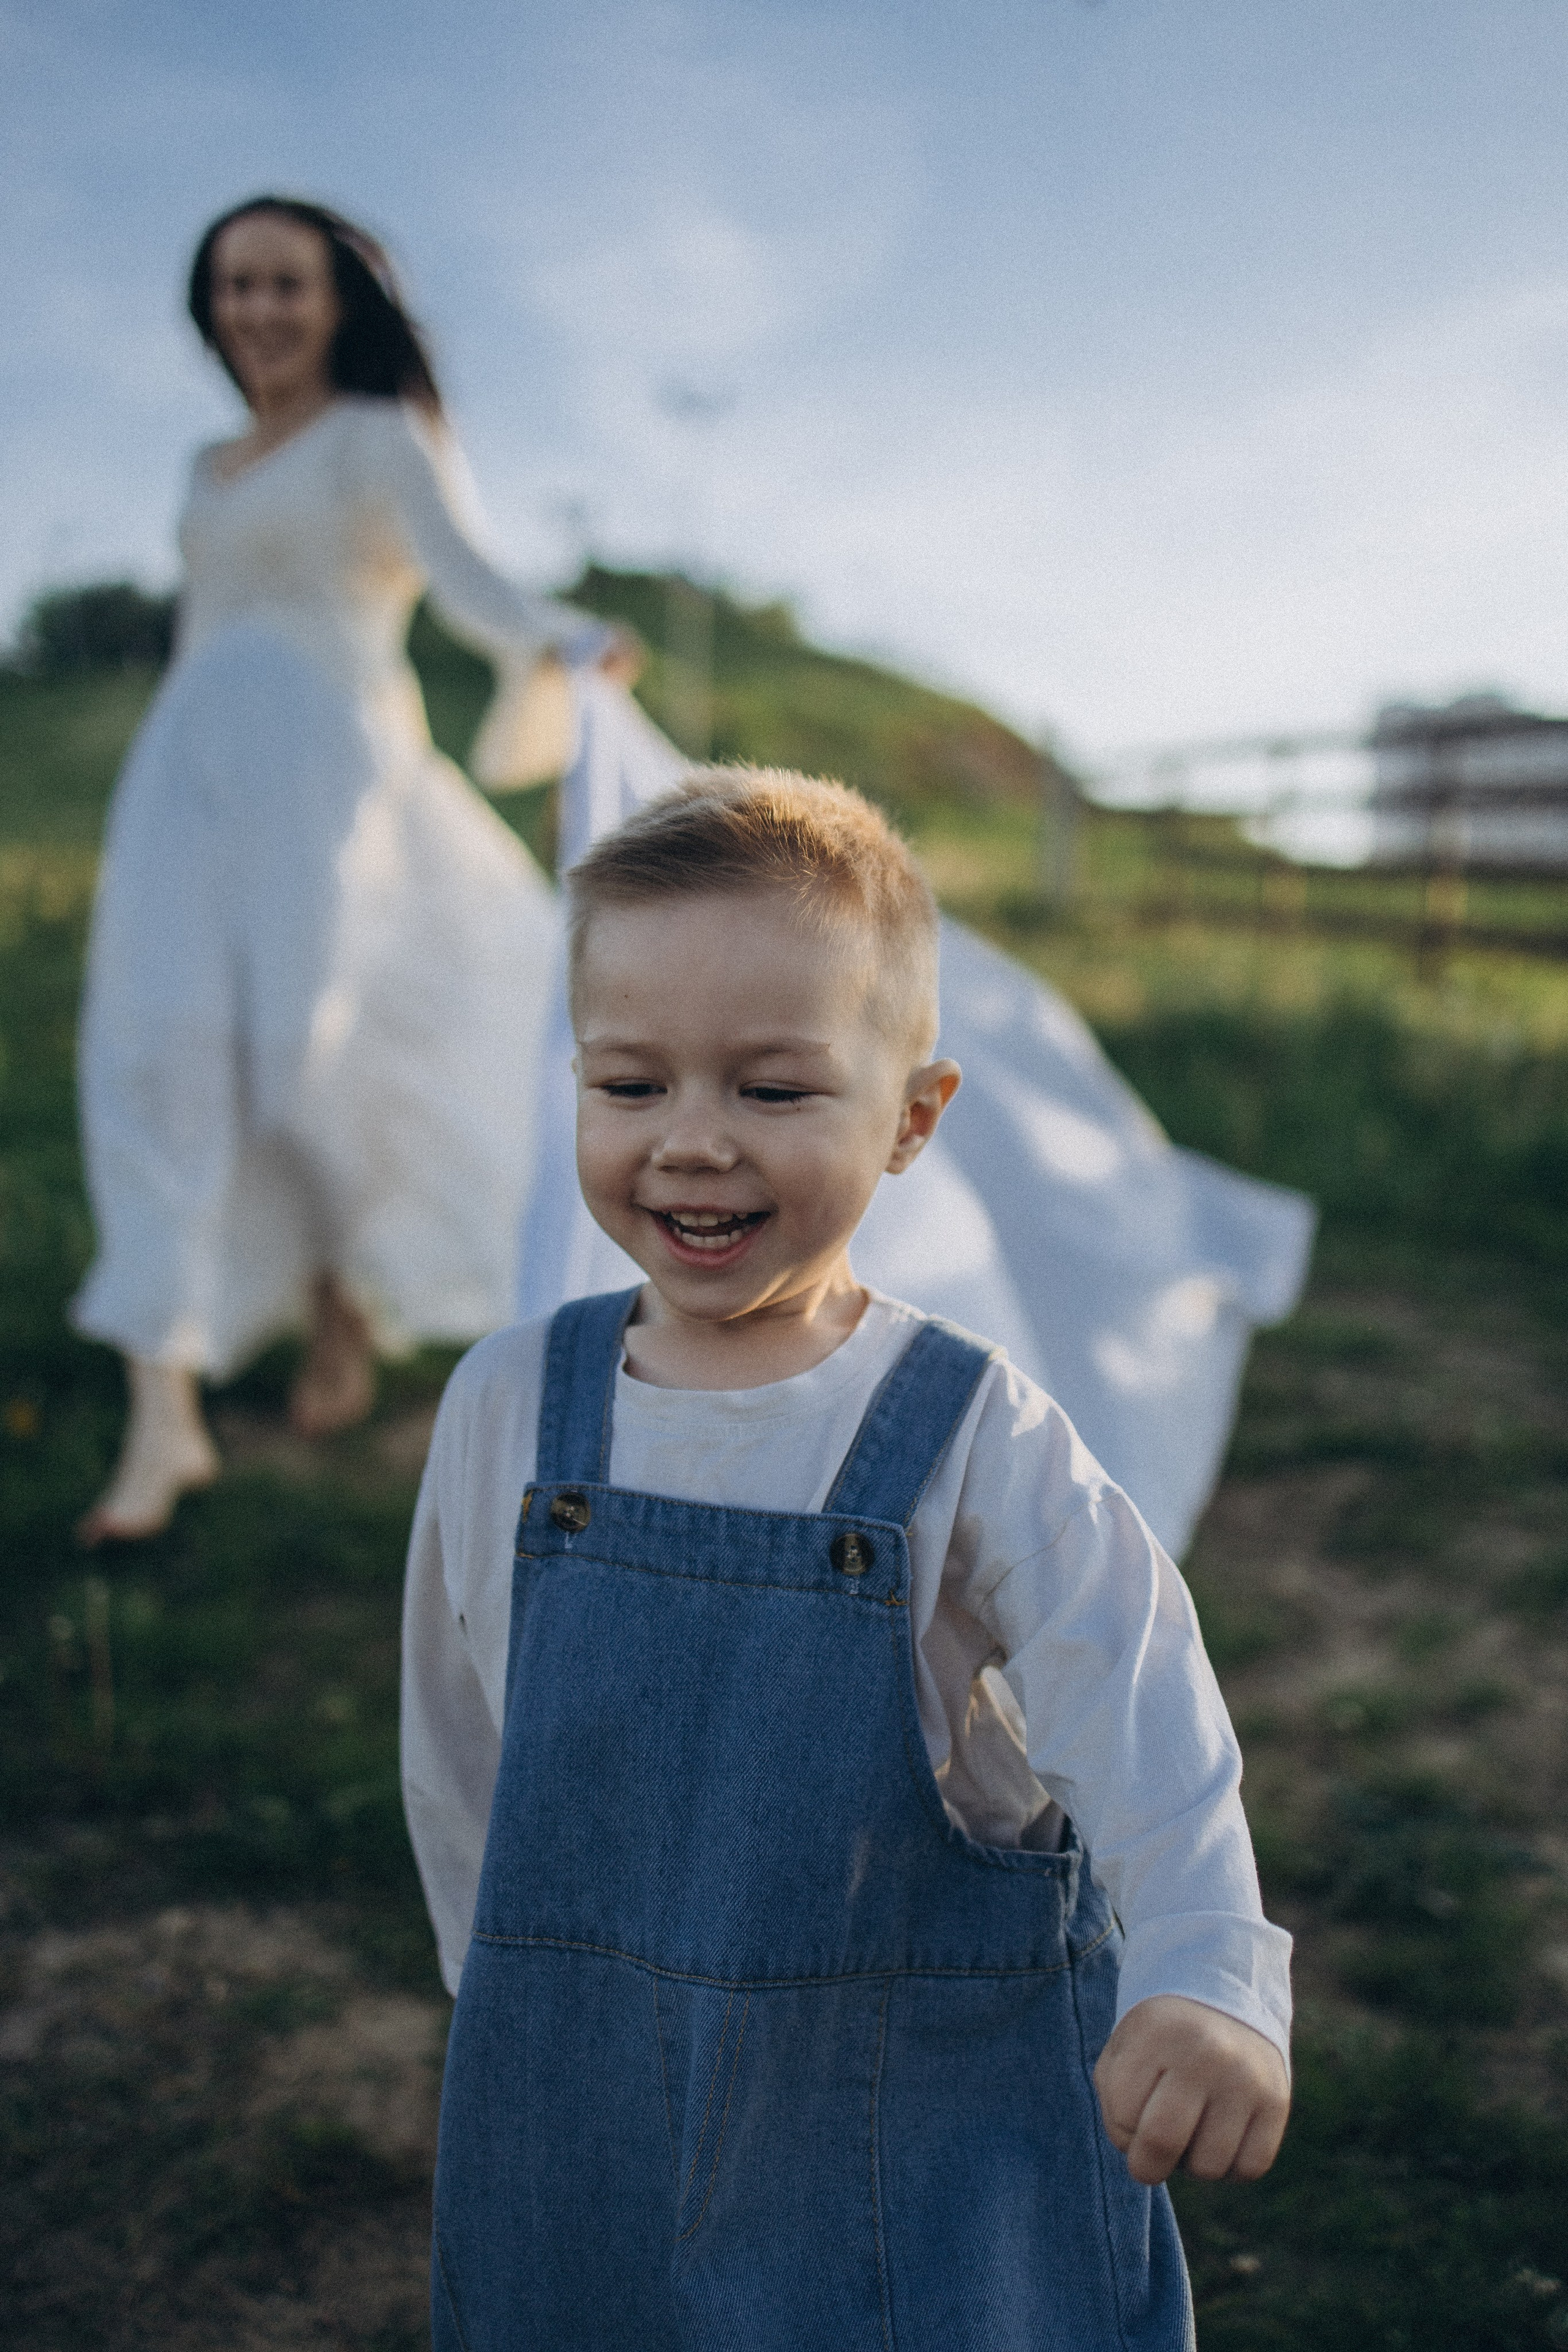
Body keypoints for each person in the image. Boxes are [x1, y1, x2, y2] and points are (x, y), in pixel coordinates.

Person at [403, 769, 1291, 2350]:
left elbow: (1139, 1697)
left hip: (907, 2093)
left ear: (911, 1119)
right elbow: (464, 1721)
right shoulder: (508, 1405)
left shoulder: (965, 1429)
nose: (691, 1143)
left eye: (771, 1090)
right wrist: (505, 1987)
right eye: (631, 1084)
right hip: (589, 2073)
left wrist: (1204, 1966)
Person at [72, 195, 634, 1544]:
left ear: (339, 302)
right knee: (157, 1050)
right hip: (187, 775)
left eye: (286, 283)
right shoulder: (207, 464)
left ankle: (340, 1299)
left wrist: (569, 641)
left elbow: (471, 579)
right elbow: (207, 624)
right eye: (235, 285)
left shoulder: (381, 437)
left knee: (301, 1055)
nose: (258, 309)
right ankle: (163, 1412)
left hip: (330, 780)